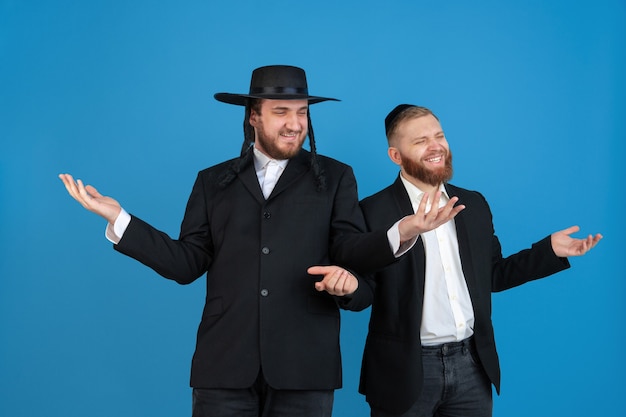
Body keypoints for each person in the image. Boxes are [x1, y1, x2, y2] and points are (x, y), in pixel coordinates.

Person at [58, 65, 398, 417]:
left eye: (301, 112)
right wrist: (120, 219)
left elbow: (352, 255)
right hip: (223, 365)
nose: (295, 124)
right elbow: (186, 263)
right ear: (254, 117)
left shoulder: (336, 177)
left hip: (305, 364)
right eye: (281, 112)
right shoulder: (212, 182)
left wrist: (351, 284)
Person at [337, 104, 602, 417]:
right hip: (404, 371)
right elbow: (364, 289)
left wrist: (549, 251)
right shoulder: (371, 212)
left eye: (439, 136)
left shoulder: (473, 204)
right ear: (396, 156)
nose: (436, 146)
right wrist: (348, 288)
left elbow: (492, 275)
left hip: (472, 367)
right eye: (420, 141)